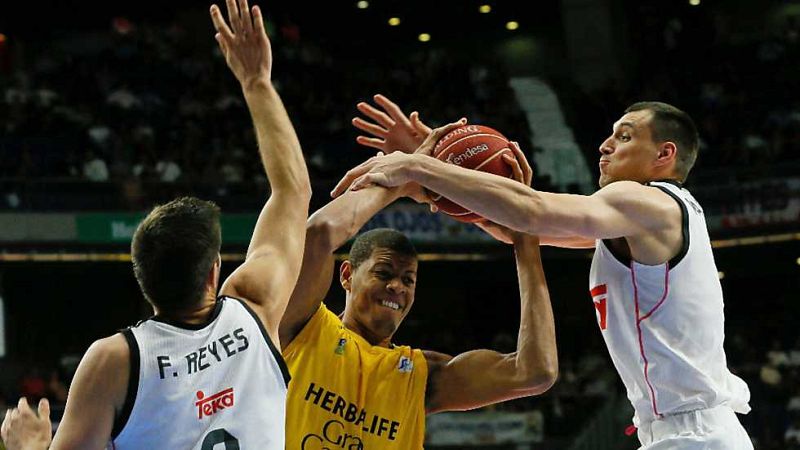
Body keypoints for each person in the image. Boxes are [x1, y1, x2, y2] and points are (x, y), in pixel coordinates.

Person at [335, 95, 753, 449]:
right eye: (609, 134)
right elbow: (520, 229)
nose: (605, 145)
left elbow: (531, 211)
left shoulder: (648, 203)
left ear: (665, 155)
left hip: (694, 434)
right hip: (687, 431)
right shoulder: (646, 220)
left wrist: (418, 167)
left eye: (624, 136)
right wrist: (441, 171)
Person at [1, 1, 311, 449]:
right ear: (213, 272)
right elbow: (293, 191)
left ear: (142, 278)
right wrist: (256, 82)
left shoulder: (114, 361)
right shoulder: (255, 309)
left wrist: (28, 446)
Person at [279, 130, 558, 448]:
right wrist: (400, 180)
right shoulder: (304, 329)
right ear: (347, 275)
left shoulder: (419, 375)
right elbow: (319, 232)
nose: (397, 286)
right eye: (384, 273)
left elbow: (536, 372)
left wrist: (524, 236)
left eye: (408, 280)